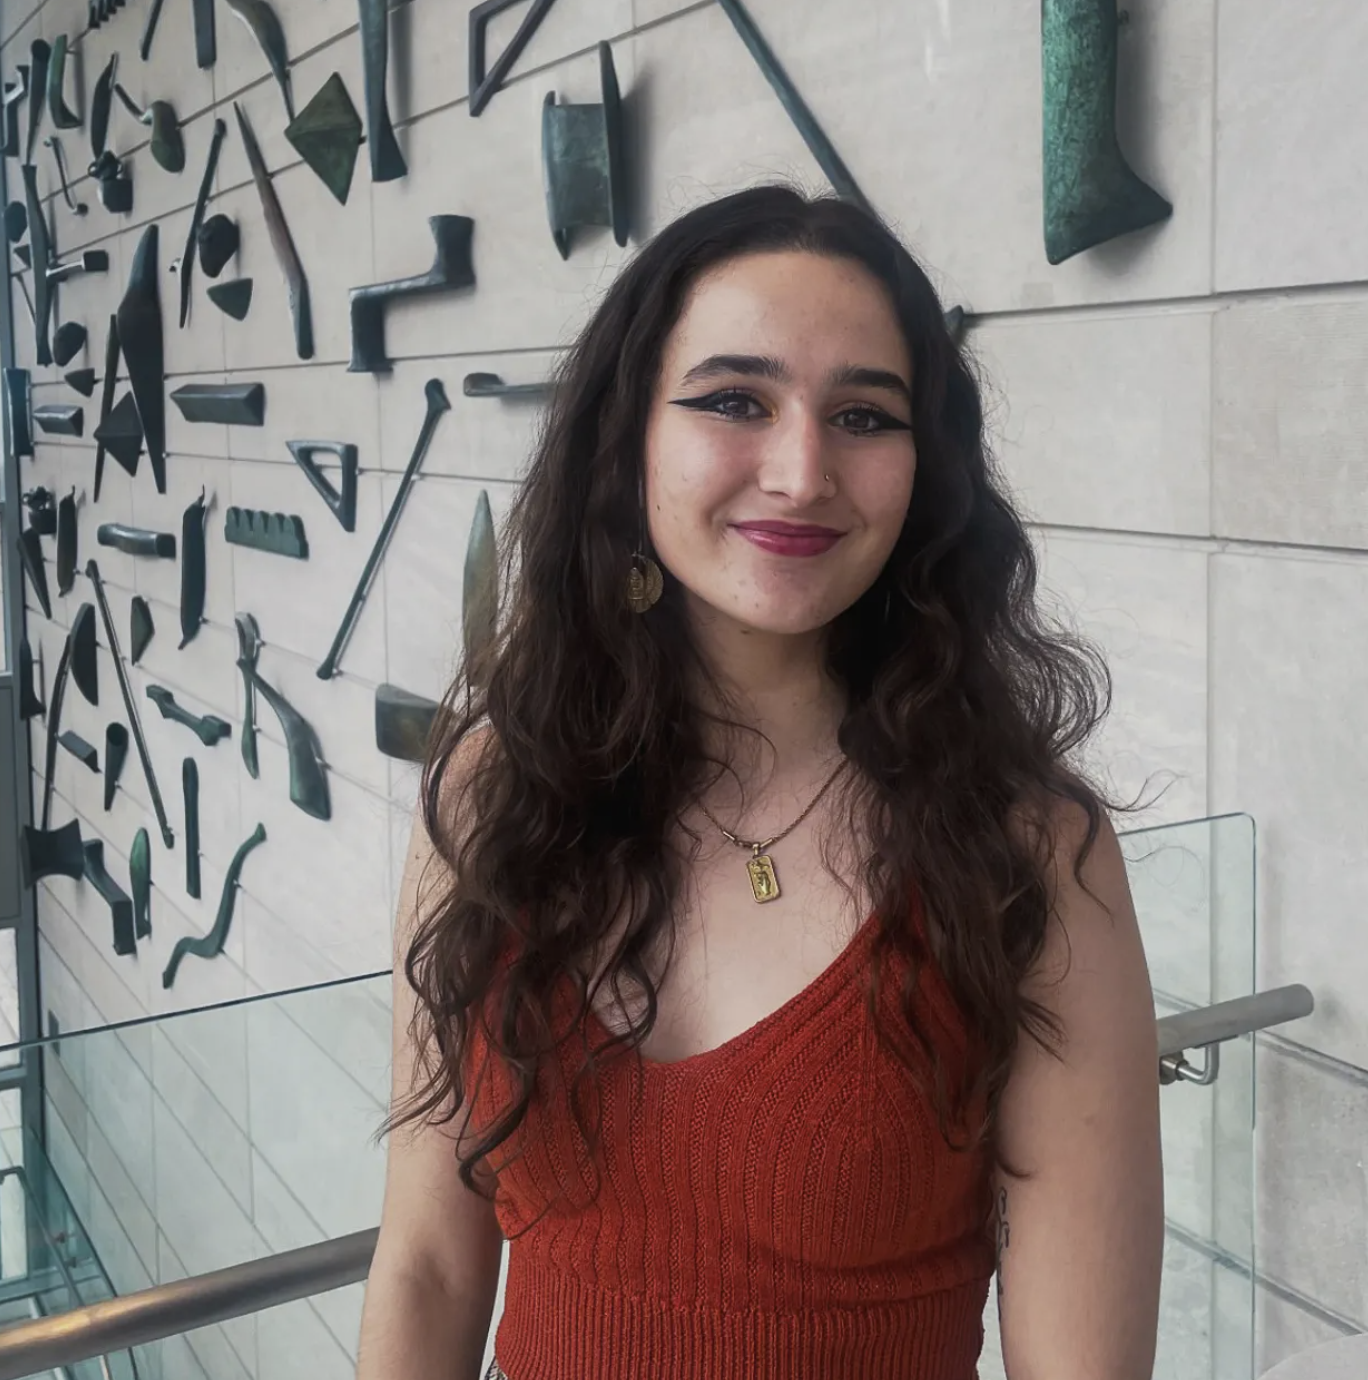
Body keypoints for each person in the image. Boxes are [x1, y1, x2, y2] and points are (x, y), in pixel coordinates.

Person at [356, 186, 1164, 1380]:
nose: (800, 471)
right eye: (736, 400)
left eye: (864, 416)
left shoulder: (1026, 854)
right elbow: (426, 1262)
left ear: (923, 469)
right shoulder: (494, 795)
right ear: (628, 440)